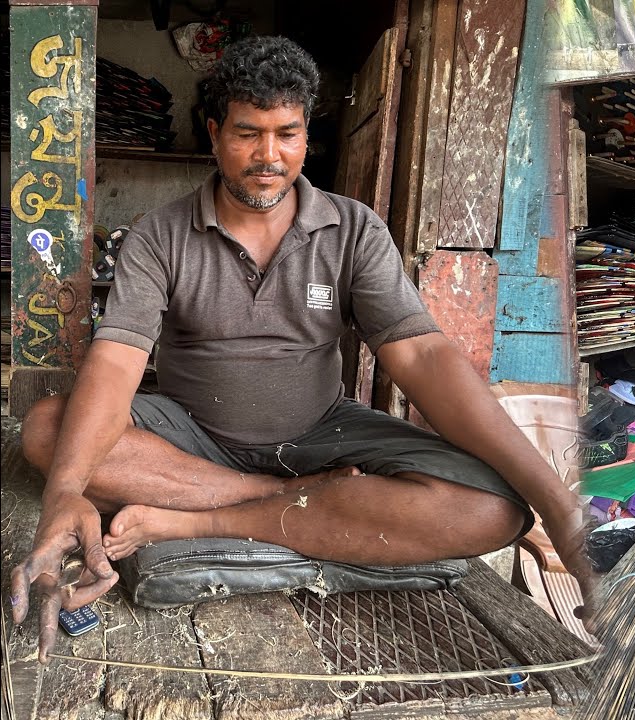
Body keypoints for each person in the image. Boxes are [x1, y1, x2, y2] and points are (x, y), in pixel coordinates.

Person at [10, 36, 592, 663]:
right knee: (46, 431)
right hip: (190, 438)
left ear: (306, 136)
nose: (269, 156)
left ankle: (200, 520)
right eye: (247, 134)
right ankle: (273, 496)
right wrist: (63, 491)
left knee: (494, 512)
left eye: (286, 134)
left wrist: (556, 503)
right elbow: (116, 361)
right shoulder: (160, 235)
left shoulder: (353, 228)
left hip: (322, 430)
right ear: (214, 134)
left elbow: (423, 356)